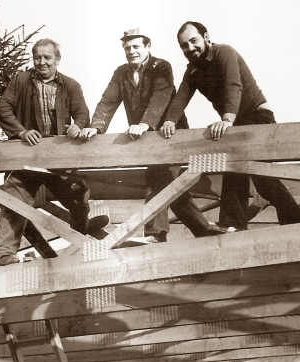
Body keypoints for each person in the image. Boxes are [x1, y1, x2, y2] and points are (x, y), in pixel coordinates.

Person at [86, 28, 226, 243]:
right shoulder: (121, 72)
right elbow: (108, 100)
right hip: (149, 140)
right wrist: (96, 127)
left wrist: (145, 124)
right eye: (127, 48)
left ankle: (156, 235)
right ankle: (203, 230)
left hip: (170, 135)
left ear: (147, 46)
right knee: (171, 187)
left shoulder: (161, 67)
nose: (131, 51)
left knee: (157, 180)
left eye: (136, 46)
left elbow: (161, 96)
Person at [160, 21, 300, 231]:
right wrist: (169, 121)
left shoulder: (224, 53)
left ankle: (289, 220)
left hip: (257, 117)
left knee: (260, 177)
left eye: (193, 41)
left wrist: (227, 119)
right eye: (184, 45)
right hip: (236, 124)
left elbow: (233, 84)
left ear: (206, 37)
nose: (190, 48)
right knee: (236, 167)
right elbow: (181, 96)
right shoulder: (193, 70)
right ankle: (236, 223)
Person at [0, 38, 108, 267]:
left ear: (57, 59)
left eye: (47, 57)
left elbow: (82, 113)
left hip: (58, 156)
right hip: (27, 154)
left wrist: (77, 126)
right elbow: (4, 108)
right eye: (37, 57)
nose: (42, 62)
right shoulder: (21, 80)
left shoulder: (70, 85)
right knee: (15, 197)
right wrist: (22, 132)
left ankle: (81, 228)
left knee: (77, 193)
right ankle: (4, 253)